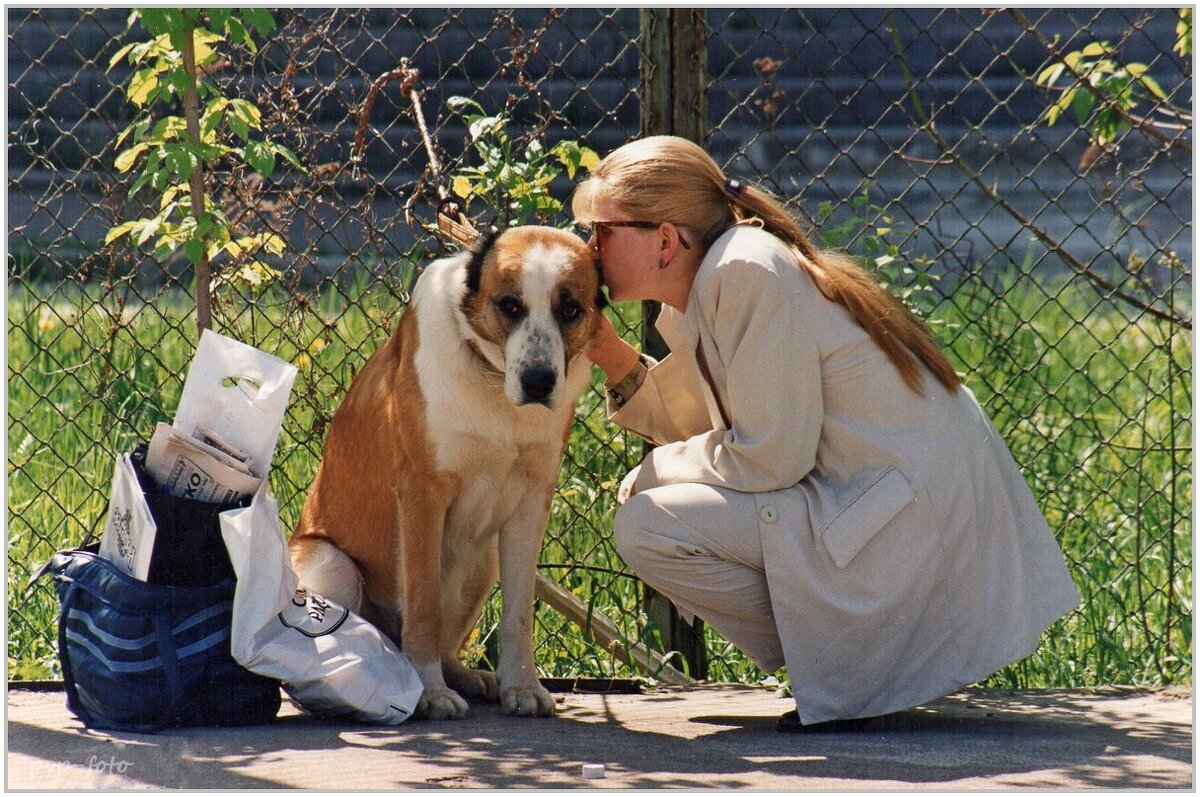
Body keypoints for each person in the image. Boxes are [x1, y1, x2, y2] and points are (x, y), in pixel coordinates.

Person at [574, 135, 1080, 732]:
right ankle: (848, 663)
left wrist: (654, 471)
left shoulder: (743, 270)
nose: (591, 248)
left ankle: (858, 662)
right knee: (657, 511)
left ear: (664, 239)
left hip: (910, 522)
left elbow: (768, 458)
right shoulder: (725, 272)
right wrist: (610, 354)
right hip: (894, 507)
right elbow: (703, 426)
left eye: (603, 229)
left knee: (649, 523)